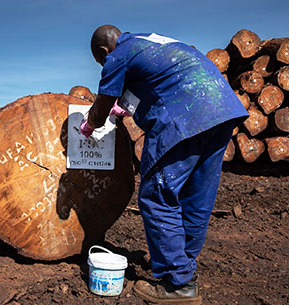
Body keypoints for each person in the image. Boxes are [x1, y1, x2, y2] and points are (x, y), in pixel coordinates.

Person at [80, 25, 249, 304]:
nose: (104, 64)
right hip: (221, 110)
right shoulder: (148, 41)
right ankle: (184, 268)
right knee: (195, 197)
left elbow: (101, 105)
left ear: (102, 50)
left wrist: (90, 124)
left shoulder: (118, 55)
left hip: (184, 116)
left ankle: (178, 284)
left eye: (101, 60)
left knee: (157, 197)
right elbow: (158, 81)